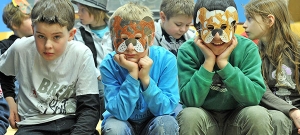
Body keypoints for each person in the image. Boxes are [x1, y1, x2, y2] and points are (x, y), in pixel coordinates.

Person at [0, 0, 100, 134]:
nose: (48, 45)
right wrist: (10, 100)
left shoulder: (81, 54)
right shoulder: (20, 48)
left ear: (71, 34)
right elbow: (3, 72)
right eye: (41, 36)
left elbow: (89, 108)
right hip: (33, 124)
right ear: (33, 30)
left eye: (56, 37)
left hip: (72, 121)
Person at [175, 0, 274, 134]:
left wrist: (224, 64)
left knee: (258, 114)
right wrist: (208, 62)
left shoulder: (247, 48)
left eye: (224, 27)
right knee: (189, 115)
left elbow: (253, 98)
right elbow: (190, 101)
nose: (217, 37)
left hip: (238, 116)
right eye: (209, 28)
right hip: (204, 116)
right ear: (198, 29)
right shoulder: (187, 51)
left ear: (233, 27)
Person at [100, 2, 180, 135]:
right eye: (123, 39)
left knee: (166, 124)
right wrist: (132, 74)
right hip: (122, 121)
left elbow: (165, 109)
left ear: (151, 38)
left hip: (155, 120)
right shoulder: (109, 64)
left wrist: (145, 79)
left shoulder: (166, 60)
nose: (130, 47)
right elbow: (120, 113)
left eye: (137, 38)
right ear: (113, 39)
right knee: (114, 128)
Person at [243, 0, 300, 134]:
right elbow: (262, 91)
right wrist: (293, 112)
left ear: (269, 21)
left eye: (250, 19)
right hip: (273, 113)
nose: (244, 25)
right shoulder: (252, 53)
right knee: (277, 120)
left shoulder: (297, 50)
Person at [71, 0, 113, 120]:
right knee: (104, 93)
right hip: (94, 76)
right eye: (78, 9)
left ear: (96, 11)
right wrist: (100, 75)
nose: (79, 14)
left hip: (116, 74)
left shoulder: (114, 28)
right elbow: (82, 59)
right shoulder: (79, 33)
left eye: (83, 10)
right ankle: (103, 122)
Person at [0, 1, 33, 133]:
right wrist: (11, 102)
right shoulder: (4, 46)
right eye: (28, 18)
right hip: (15, 99)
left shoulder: (40, 43)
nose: (34, 21)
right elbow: (4, 77)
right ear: (15, 24)